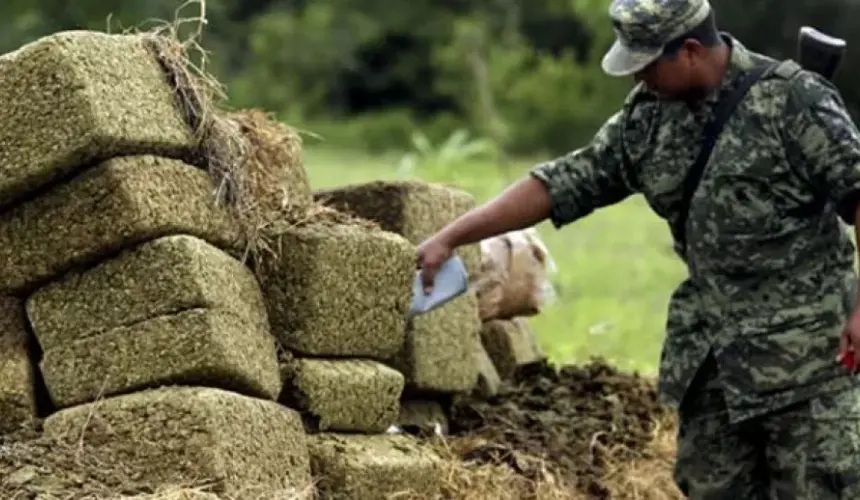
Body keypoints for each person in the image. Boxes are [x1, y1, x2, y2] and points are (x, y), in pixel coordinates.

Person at [416, 0, 860, 497]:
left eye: (647, 65)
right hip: (712, 367)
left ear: (690, 50)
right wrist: (453, 235)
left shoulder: (794, 101)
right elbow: (563, 181)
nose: (638, 80)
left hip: (808, 366)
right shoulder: (648, 119)